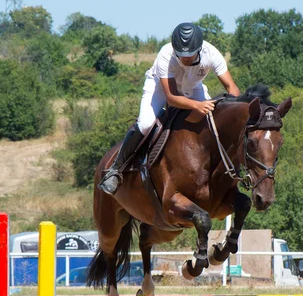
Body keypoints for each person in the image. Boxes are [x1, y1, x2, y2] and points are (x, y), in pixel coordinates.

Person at [98, 22, 241, 195]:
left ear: (199, 47)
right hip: (159, 87)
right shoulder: (166, 54)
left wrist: (231, 107)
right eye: (181, 54)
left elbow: (232, 88)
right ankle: (115, 170)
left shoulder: (211, 53)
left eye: (190, 53)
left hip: (194, 88)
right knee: (145, 124)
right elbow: (172, 98)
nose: (185, 58)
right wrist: (197, 105)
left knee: (212, 122)